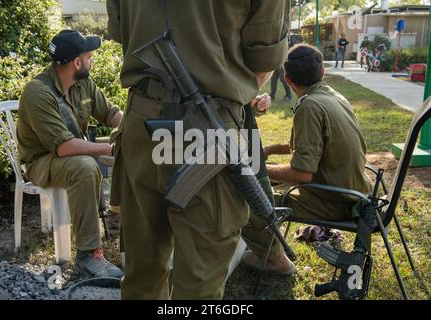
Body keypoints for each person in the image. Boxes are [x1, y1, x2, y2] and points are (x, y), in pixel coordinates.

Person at [106, 0, 290, 299]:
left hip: (143, 121)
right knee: (199, 287)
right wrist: (227, 91)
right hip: (210, 131)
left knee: (142, 274)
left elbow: (122, 32)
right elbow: (263, 61)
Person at [241, 44, 372, 272]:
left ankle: (275, 261)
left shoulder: (309, 106)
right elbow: (304, 148)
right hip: (354, 191)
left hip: (335, 202)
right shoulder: (332, 96)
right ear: (322, 73)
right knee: (263, 181)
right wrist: (268, 151)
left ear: (288, 80)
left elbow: (302, 173)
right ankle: (265, 248)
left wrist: (259, 168)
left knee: (246, 199)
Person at [16, 30, 124, 278]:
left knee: (131, 148)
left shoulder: (83, 82)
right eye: (89, 56)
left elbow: (110, 114)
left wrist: (132, 131)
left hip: (72, 150)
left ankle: (119, 219)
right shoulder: (37, 93)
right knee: (85, 167)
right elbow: (63, 147)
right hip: (42, 161)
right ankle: (88, 257)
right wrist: (111, 149)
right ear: (77, 62)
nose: (92, 60)